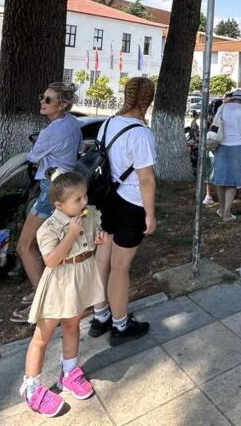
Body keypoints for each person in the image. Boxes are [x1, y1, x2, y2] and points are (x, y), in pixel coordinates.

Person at [20, 171, 105, 416]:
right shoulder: (49, 227)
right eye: (77, 199)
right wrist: (70, 234)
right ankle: (32, 387)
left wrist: (97, 237)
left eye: (84, 196)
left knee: (73, 325)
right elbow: (52, 260)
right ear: (59, 205)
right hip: (60, 282)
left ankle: (69, 371)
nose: (84, 202)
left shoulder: (88, 216)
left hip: (81, 276)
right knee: (42, 336)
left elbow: (94, 235)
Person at [90, 77, 158, 345]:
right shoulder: (141, 133)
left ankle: (100, 316)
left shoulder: (108, 124)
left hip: (105, 199)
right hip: (131, 204)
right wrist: (150, 214)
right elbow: (146, 179)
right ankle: (120, 325)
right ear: (148, 100)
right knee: (120, 267)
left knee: (101, 261)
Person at [11, 82, 84, 324]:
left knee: (25, 246)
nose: (43, 102)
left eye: (49, 100)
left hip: (49, 189)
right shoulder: (72, 123)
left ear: (62, 105)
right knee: (50, 244)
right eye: (43, 97)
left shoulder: (51, 131)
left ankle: (43, 301)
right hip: (65, 185)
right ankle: (46, 292)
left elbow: (32, 157)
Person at [211, 89, 241, 222]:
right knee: (232, 182)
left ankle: (221, 209)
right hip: (237, 146)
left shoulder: (222, 108)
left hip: (220, 145)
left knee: (221, 180)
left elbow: (214, 125)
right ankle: (227, 214)